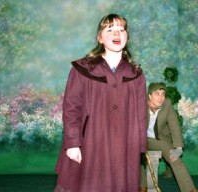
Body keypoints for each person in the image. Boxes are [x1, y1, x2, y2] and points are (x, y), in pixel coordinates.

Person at [54, 13, 148, 192]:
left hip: (125, 147)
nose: (116, 34)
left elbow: (141, 115)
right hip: (90, 144)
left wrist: (139, 145)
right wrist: (72, 143)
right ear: (100, 38)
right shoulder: (82, 69)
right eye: (110, 29)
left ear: (127, 36)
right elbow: (71, 109)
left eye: (121, 29)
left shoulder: (136, 74)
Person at [140, 82, 198, 192]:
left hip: (158, 140)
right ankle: (142, 187)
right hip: (140, 139)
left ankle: (190, 190)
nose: (161, 97)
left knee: (175, 159)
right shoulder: (139, 104)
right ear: (149, 95)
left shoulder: (167, 104)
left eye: (163, 94)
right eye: (157, 94)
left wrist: (179, 148)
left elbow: (174, 125)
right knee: (134, 158)